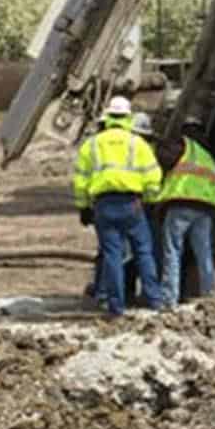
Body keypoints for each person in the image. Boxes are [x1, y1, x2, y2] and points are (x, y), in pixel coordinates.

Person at [71, 96, 161, 317]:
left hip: (103, 205)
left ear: (108, 117)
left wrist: (83, 207)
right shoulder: (137, 144)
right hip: (132, 203)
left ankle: (115, 306)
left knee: (112, 255)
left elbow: (80, 180)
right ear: (128, 117)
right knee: (143, 251)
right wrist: (149, 200)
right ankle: (154, 300)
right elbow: (153, 176)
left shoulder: (91, 145)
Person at [152, 124, 215, 310]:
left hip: (180, 205)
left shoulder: (182, 147)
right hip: (204, 208)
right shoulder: (208, 159)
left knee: (173, 251)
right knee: (204, 253)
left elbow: (162, 161)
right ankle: (210, 295)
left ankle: (169, 299)